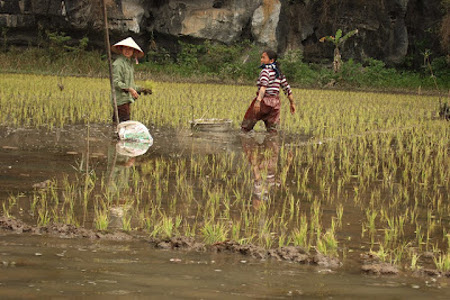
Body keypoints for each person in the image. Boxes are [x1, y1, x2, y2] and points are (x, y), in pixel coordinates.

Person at [241, 50, 296, 133]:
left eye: (263, 58)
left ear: (271, 61)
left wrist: (258, 101)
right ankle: (272, 145)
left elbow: (263, 87)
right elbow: (287, 89)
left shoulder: (265, 71)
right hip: (275, 104)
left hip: (264, 102)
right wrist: (292, 103)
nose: (261, 60)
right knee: (273, 132)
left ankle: (247, 144)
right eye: (261, 57)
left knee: (245, 128)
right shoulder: (279, 74)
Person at [110, 37, 151, 124]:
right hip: (120, 100)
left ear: (133, 52)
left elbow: (130, 84)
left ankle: (114, 136)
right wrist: (130, 89)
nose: (127, 51)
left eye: (130, 49)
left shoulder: (129, 64)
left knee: (118, 125)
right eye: (125, 48)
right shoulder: (118, 64)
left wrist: (141, 89)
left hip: (126, 100)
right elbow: (116, 83)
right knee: (125, 124)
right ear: (121, 49)